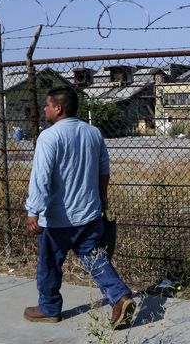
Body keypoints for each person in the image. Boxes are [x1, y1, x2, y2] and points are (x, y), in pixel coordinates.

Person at [24, 85, 135, 329]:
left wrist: (34, 210)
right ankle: (120, 296)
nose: (44, 109)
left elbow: (40, 177)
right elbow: (104, 171)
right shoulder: (93, 133)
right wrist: (102, 200)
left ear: (58, 108)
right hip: (89, 214)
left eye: (47, 105)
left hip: (57, 219)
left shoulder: (50, 136)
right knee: (95, 259)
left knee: (49, 265)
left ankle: (49, 308)